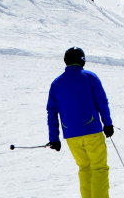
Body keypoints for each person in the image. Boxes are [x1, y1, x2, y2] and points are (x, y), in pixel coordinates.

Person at [46, 46, 114, 198]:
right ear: (82, 61)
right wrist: (107, 124)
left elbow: (52, 111)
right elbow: (102, 102)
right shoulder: (90, 77)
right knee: (99, 168)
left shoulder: (56, 83)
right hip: (92, 132)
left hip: (71, 135)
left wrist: (54, 139)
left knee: (85, 168)